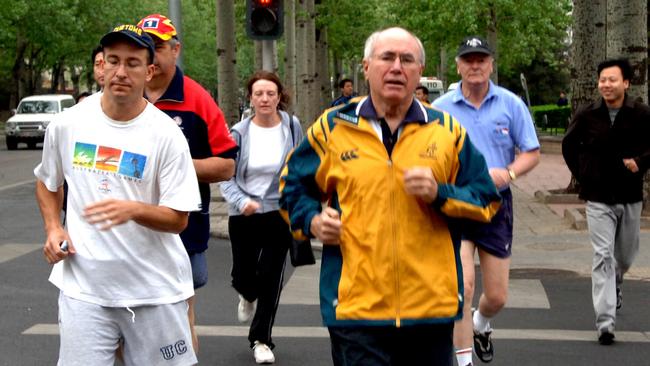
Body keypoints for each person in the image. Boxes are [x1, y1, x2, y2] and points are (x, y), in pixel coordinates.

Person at [280, 27, 501, 366]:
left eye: (407, 59)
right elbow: (291, 187)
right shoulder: (332, 128)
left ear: (418, 73)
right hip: (356, 312)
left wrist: (439, 194)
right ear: (366, 67)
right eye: (387, 58)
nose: (396, 67)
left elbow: (487, 200)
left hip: (430, 311)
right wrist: (311, 220)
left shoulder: (447, 132)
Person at [34, 24, 201, 365]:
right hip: (85, 290)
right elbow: (48, 182)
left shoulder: (166, 136)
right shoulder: (67, 124)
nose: (121, 72)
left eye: (133, 63)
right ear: (101, 66)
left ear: (149, 70)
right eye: (113, 61)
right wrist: (53, 227)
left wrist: (133, 209)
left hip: (154, 291)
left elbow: (178, 218)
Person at [433, 36, 540, 366]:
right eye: (468, 60)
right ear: (458, 66)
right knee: (461, 288)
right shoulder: (441, 108)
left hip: (496, 205)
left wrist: (508, 173)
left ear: (491, 64)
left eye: (481, 59)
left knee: (496, 296)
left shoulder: (510, 104)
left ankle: (482, 324)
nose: (475, 65)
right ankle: (463, 362)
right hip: (457, 204)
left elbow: (531, 153)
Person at [137, 13, 238, 353]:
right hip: (127, 230)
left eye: (158, 46)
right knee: (126, 318)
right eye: (144, 47)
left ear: (175, 50)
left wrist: (174, 166)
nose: (151, 54)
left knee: (180, 314)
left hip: (183, 228)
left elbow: (226, 166)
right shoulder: (119, 96)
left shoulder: (196, 99)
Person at [562, 58, 650, 345]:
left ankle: (618, 282)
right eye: (602, 80)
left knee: (623, 258)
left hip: (630, 196)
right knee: (602, 256)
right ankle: (605, 322)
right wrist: (583, 175)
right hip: (598, 197)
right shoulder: (587, 114)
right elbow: (568, 145)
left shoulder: (640, 113)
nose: (606, 85)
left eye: (612, 80)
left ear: (626, 83)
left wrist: (640, 162)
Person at [220, 70, 303, 364]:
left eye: (270, 93)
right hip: (243, 215)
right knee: (244, 276)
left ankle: (262, 339)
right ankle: (246, 294)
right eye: (259, 94)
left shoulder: (292, 127)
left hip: (279, 214)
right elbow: (224, 176)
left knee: (271, 276)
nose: (265, 99)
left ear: (280, 97)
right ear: (251, 98)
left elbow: (301, 166)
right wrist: (242, 201)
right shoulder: (238, 133)